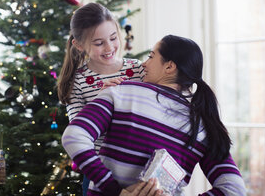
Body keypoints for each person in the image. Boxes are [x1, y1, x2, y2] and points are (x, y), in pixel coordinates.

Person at [62, 34, 247, 196]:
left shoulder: (120, 92)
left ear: (169, 67)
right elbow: (234, 189)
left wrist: (116, 191)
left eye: (151, 57)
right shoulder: (202, 124)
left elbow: (74, 137)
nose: (144, 64)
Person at [57, 2, 144, 195]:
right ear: (79, 45)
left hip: (140, 168)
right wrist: (101, 100)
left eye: (113, 38)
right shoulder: (77, 81)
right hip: (101, 173)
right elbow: (79, 134)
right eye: (98, 43)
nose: (109, 47)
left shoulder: (137, 69)